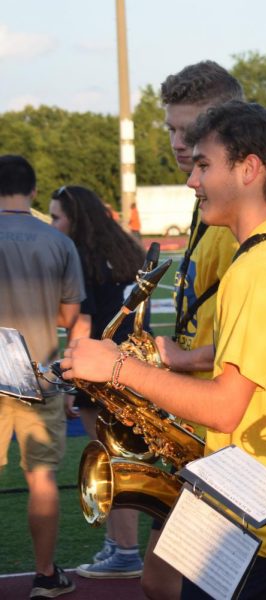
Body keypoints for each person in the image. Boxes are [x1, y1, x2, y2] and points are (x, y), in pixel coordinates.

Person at [62, 101, 266, 599]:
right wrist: (174, 362)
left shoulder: (259, 266)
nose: (192, 181)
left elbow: (226, 407)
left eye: (205, 165)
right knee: (162, 583)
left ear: (249, 169)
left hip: (257, 520)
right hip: (251, 503)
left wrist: (117, 367)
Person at [138, 60, 244, 600]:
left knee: (176, 581)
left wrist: (169, 361)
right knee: (166, 577)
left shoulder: (235, 227)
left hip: (222, 433)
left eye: (192, 129)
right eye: (172, 130)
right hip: (198, 424)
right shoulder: (208, 211)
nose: (179, 143)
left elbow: (247, 346)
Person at [47, 185, 147, 578]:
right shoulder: (124, 252)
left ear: (77, 219)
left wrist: (70, 376)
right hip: (133, 368)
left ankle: (124, 551)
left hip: (101, 371)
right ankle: (118, 545)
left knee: (108, 465)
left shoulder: (84, 260)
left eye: (57, 216)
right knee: (118, 461)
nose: (54, 224)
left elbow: (83, 324)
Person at [0, 155, 85, 599]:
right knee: (42, 478)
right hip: (39, 372)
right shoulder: (56, 242)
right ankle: (45, 574)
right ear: (32, 191)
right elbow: (71, 315)